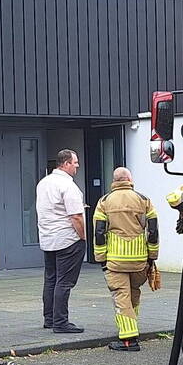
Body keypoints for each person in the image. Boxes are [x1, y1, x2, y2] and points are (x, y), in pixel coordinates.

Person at [92, 167, 159, 352]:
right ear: (129, 179)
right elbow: (153, 231)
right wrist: (152, 256)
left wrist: (101, 258)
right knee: (133, 293)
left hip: (115, 260)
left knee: (121, 296)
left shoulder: (104, 201)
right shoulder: (144, 200)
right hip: (139, 259)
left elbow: (99, 232)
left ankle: (128, 339)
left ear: (114, 181)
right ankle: (131, 328)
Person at [35, 149, 86, 333]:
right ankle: (61, 322)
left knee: (51, 280)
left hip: (48, 239)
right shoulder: (68, 186)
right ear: (66, 164)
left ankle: (49, 319)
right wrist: (83, 237)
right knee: (64, 282)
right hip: (67, 239)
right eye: (75, 162)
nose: (77, 166)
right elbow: (76, 216)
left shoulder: (43, 183)